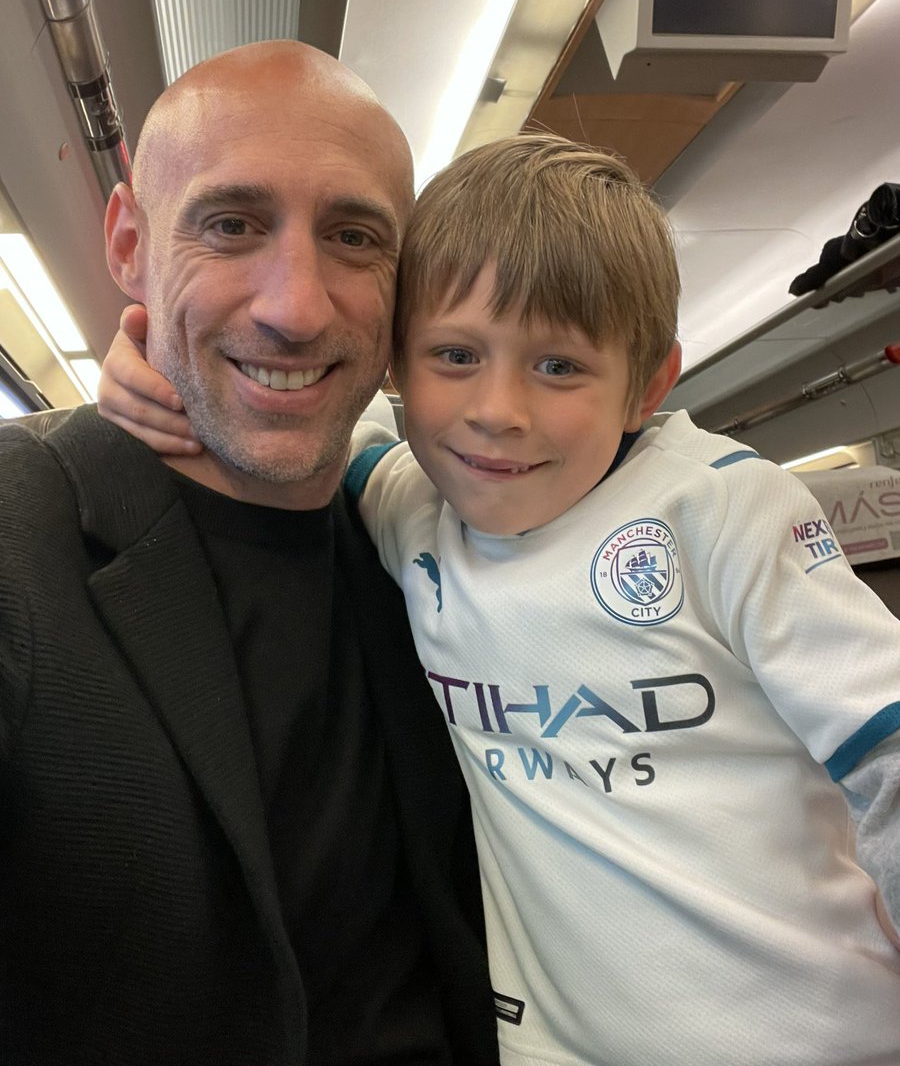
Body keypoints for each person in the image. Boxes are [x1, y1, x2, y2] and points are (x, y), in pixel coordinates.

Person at [102, 132, 900, 1066]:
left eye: (559, 367)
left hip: (810, 1036)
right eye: (454, 356)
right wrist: (160, 366)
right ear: (397, 364)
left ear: (648, 385)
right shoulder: (407, 505)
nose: (497, 412)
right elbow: (324, 420)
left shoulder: (720, 509)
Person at [0, 40, 500, 1066]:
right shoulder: (19, 535)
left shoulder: (439, 538)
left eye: (354, 237)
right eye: (231, 225)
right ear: (130, 244)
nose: (296, 308)